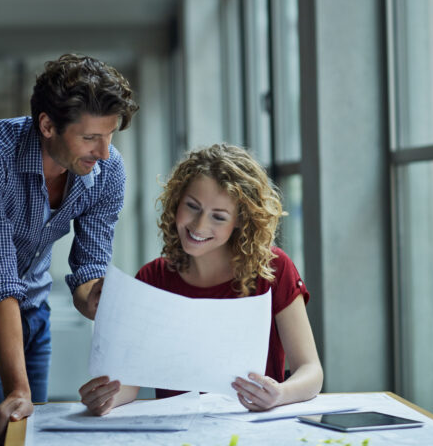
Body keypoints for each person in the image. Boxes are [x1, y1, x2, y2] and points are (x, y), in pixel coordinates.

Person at [0, 53, 139, 445]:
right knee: (11, 433)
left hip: (34, 314)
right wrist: (17, 392)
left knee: (27, 437)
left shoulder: (108, 169)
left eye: (110, 136)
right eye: (90, 138)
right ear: (48, 125)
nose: (103, 153)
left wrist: (100, 301)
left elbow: (88, 269)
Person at [79, 143, 323, 415]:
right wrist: (106, 398)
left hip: (254, 429)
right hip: (178, 432)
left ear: (241, 221)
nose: (199, 225)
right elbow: (130, 383)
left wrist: (280, 394)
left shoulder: (273, 269)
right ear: (176, 201)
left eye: (219, 217)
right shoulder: (152, 278)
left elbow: (311, 371)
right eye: (192, 206)